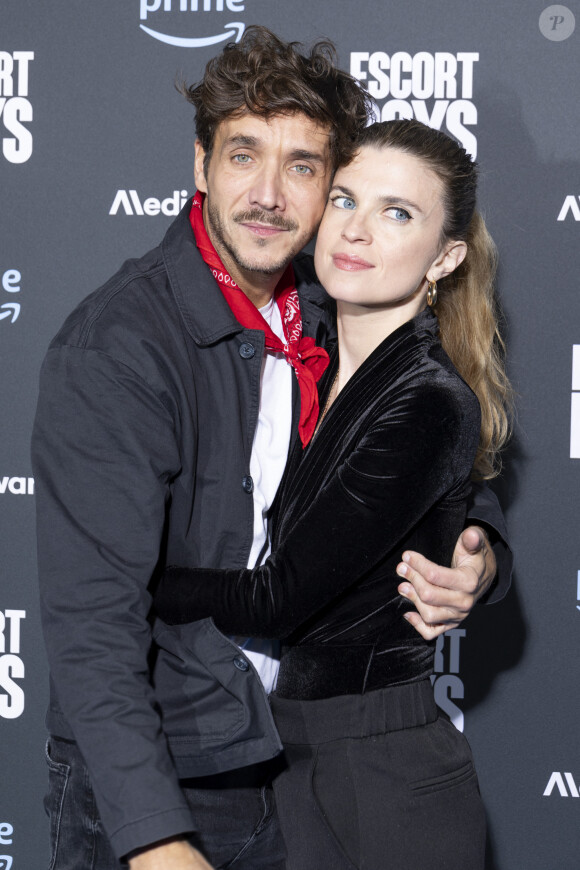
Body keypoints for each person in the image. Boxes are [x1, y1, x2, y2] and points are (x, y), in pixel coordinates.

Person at [31, 28, 511, 870]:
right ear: (199, 168)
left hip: (283, 767)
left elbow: (418, 438)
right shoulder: (121, 347)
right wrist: (153, 837)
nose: (268, 194)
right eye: (243, 155)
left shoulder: (328, 312)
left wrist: (477, 548)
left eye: (302, 167)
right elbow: (92, 627)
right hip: (168, 778)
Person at [154, 118, 513, 870]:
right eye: (345, 199)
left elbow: (281, 597)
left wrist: (128, 578)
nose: (356, 231)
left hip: (384, 767)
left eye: (397, 213)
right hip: (285, 752)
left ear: (445, 256)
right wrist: (483, 542)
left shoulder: (426, 399)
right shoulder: (291, 341)